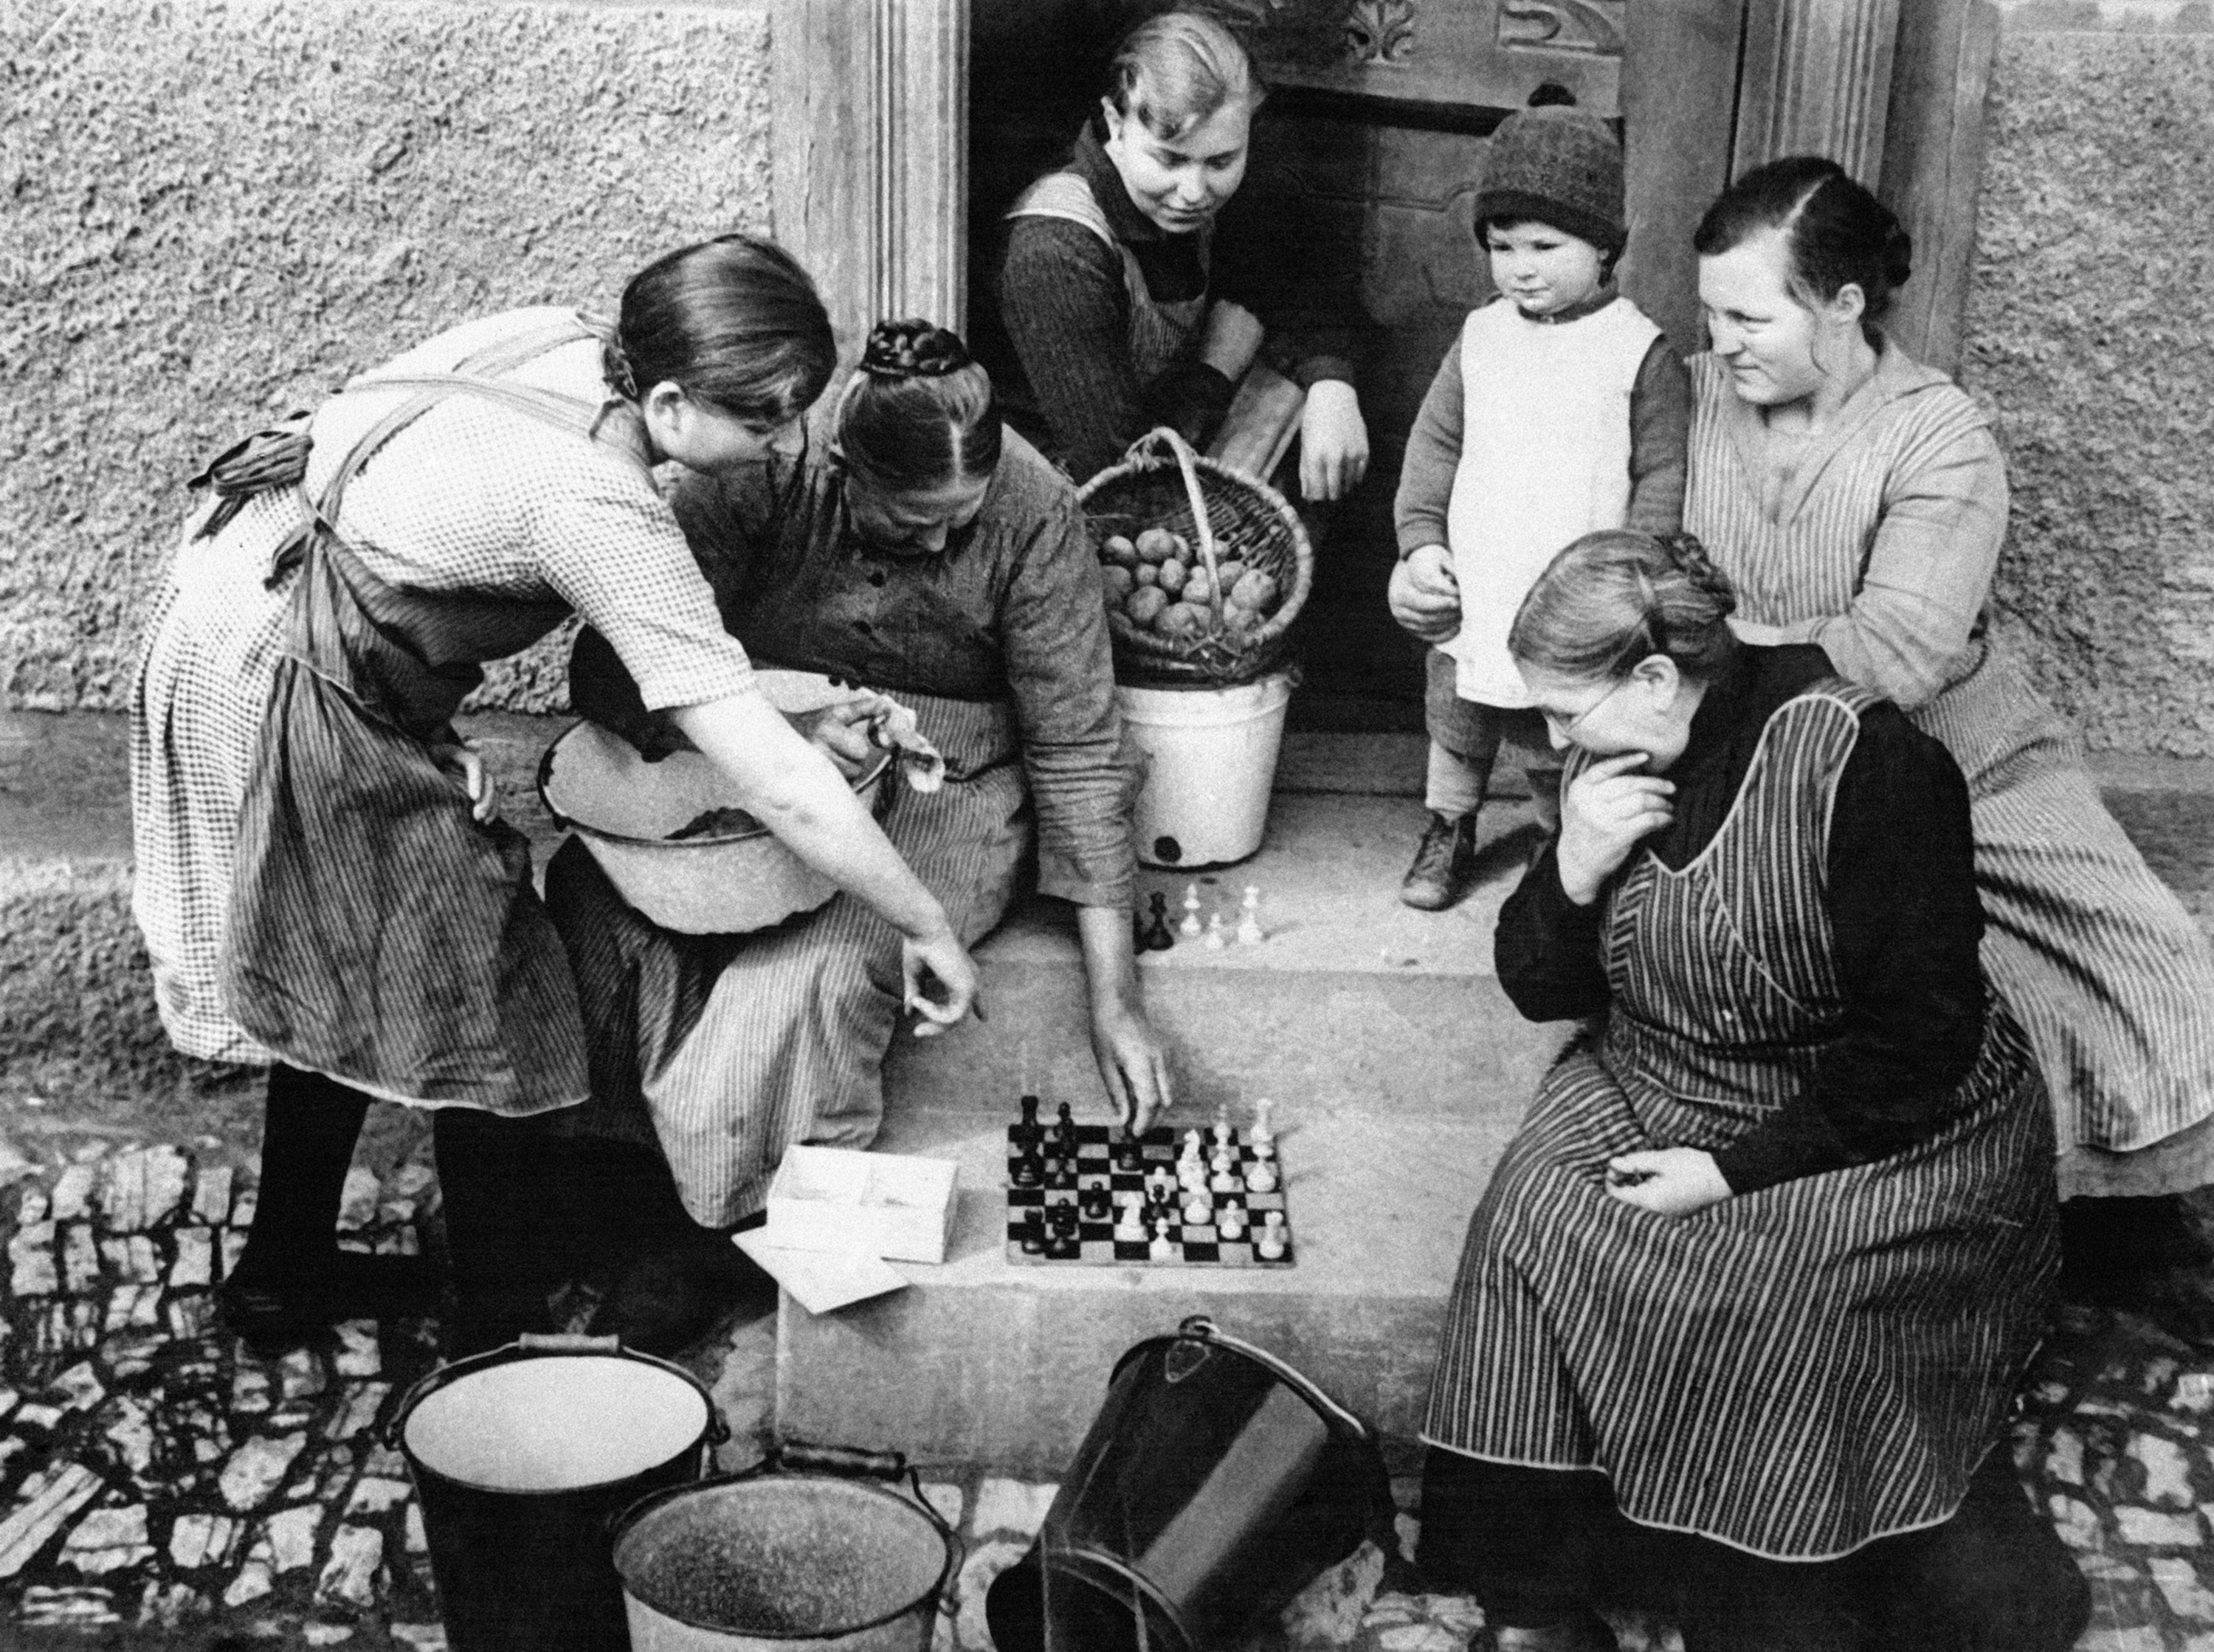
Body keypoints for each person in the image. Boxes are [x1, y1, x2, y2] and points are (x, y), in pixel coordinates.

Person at [130, 238, 979, 1355]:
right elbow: (780, 784)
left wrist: (423, 720)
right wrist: (924, 916)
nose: (791, 445)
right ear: (668, 399)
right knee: (488, 974)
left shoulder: (570, 342)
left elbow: (385, 486)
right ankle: (496, 1323)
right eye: (767, 421)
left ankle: (281, 1273)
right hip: (275, 664)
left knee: (354, 938)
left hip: (262, 598)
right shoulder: (596, 504)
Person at [1416, 530, 2085, 1651]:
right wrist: (1572, 866)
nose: (1554, 739)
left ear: (1658, 678)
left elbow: (1922, 1042)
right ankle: (1542, 1586)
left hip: (1880, 1112)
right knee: (1533, 1210)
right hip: (1666, 1071)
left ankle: (1773, 1595)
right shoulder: (1611, 766)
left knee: (1774, 1284)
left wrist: (1730, 1171)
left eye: (1568, 713)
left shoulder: (1868, 766)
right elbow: (1540, 986)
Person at [542, 319, 1167, 1330]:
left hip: (950, 775)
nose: (938, 544)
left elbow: (1080, 748)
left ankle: (719, 1236)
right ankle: (636, 1196)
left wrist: (1116, 996)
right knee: (602, 908)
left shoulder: (1037, 508)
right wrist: (781, 722)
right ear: (836, 464)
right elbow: (617, 666)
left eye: (961, 521)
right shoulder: (756, 471)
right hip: (752, 737)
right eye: (912, 518)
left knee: (815, 971)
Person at [1684, 156, 2214, 1271]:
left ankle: (2097, 1214)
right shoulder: (1683, 396)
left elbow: (1900, 649)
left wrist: (1707, 661)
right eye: (1710, 313)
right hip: (1730, 746)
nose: (1722, 341)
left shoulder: (1940, 436)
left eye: (1748, 315)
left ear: (1844, 304)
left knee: (2144, 967)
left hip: (1946, 742)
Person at [1390, 91, 1689, 911]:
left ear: (1602, 247)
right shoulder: (1481, 337)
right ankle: (1448, 825)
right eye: (1502, 245)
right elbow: (1436, 444)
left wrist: (1635, 573)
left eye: (1544, 245)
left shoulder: (1637, 351)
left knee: (1556, 730)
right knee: (1461, 710)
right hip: (1481, 580)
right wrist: (1421, 541)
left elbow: (1663, 472)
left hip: (1577, 594)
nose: (1520, 266)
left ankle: (1561, 845)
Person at [983, 7, 1370, 498]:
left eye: (1222, 161)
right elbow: (1119, 469)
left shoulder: (1203, 191)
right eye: (1169, 159)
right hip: (1061, 488)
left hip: (1170, 431)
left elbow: (1302, 281)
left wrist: (1332, 384)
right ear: (1115, 122)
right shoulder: (1057, 250)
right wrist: (1214, 370)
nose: (1195, 192)